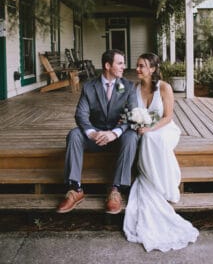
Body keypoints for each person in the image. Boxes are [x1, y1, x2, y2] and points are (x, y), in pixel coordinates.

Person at [123, 53, 199, 252]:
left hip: (165, 129)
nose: (137, 69)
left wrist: (149, 129)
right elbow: (131, 111)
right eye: (137, 65)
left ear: (153, 69)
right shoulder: (135, 88)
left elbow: (168, 116)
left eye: (142, 66)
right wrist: (135, 121)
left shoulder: (164, 87)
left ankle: (159, 182)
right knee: (145, 137)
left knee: (150, 138)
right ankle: (151, 176)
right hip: (144, 128)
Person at [57, 49, 138, 215]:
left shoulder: (128, 87)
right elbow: (81, 114)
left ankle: (115, 189)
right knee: (74, 134)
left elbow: (132, 116)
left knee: (131, 136)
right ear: (108, 66)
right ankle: (75, 189)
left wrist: (114, 133)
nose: (124, 66)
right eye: (120, 63)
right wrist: (92, 133)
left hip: (118, 139)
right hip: (95, 138)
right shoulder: (89, 87)